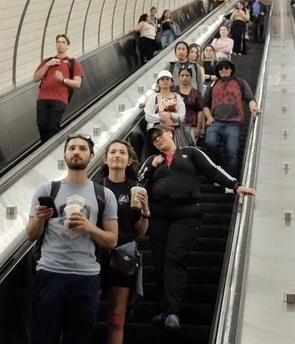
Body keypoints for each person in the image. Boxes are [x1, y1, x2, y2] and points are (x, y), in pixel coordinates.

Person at [140, 126, 256, 330]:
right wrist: (151, 167)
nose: (158, 140)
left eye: (160, 135)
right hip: (159, 216)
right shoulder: (152, 161)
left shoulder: (190, 153)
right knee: (158, 261)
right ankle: (162, 308)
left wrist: (235, 185)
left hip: (186, 214)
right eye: (154, 139)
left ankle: (173, 311)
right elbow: (139, 184)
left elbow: (212, 169)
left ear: (170, 133)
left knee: (174, 257)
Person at [26, 135, 118, 344]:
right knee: (43, 337)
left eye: (82, 148)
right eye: (72, 148)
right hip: (50, 273)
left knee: (79, 338)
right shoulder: (47, 189)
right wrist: (40, 220)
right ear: (65, 155)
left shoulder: (104, 195)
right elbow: (31, 235)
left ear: (92, 155)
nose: (76, 152)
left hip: (87, 277)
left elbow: (112, 240)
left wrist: (89, 227)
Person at [99, 140, 150, 344]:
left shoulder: (135, 190)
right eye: (113, 152)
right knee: (86, 311)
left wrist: (146, 212)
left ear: (129, 160)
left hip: (123, 257)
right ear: (105, 159)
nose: (117, 155)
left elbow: (139, 232)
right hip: (95, 256)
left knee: (117, 318)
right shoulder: (95, 187)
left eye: (122, 152)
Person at [200, 59, 259, 178]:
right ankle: (220, 171)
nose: (223, 70)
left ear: (231, 69)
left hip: (234, 123)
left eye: (226, 67)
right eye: (220, 68)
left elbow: (249, 97)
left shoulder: (240, 82)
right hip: (215, 121)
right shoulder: (213, 84)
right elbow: (204, 103)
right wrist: (209, 116)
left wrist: (253, 106)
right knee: (210, 144)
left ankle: (231, 180)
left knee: (232, 151)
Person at [32, 34, 83, 143]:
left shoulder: (73, 63)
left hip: (59, 100)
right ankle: (43, 149)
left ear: (67, 46)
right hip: (43, 98)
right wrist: (47, 65)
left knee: (53, 127)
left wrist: (63, 79)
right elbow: (35, 78)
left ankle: (50, 152)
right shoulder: (47, 61)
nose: (60, 44)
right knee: (42, 125)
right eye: (58, 42)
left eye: (63, 42)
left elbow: (77, 83)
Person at [142, 70, 189, 146]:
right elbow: (148, 116)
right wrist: (162, 118)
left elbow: (182, 116)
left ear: (172, 82)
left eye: (167, 79)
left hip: (175, 131)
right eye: (162, 79)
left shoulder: (177, 97)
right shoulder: (153, 97)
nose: (165, 81)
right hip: (157, 131)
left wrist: (170, 115)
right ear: (158, 83)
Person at [174, 66, 204, 141]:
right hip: (175, 125)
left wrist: (198, 126)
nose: (184, 78)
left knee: (189, 149)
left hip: (191, 125)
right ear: (179, 77)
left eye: (187, 75)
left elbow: (200, 110)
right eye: (182, 75)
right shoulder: (173, 90)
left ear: (191, 77)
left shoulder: (196, 93)